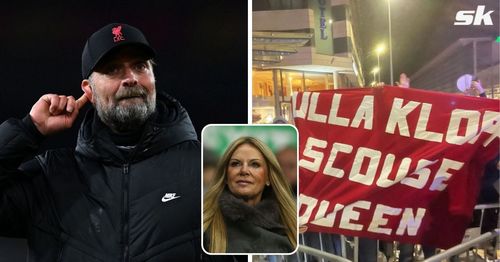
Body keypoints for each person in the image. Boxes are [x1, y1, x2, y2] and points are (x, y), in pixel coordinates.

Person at [0, 23, 204, 261]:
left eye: (140, 66)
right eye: (113, 70)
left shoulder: (208, 167)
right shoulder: (51, 178)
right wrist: (28, 129)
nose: (130, 78)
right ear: (88, 90)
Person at [203, 136, 297, 253]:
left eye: (255, 164)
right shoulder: (203, 225)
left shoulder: (292, 228)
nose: (244, 170)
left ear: (268, 177)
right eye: (236, 164)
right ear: (226, 176)